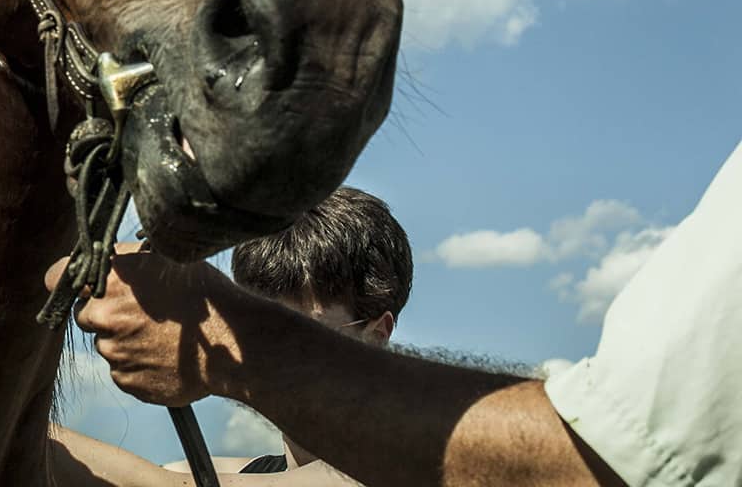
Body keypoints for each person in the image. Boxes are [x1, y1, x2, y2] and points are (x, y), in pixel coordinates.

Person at [59, 141, 742, 487]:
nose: (246, 337)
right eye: (249, 312)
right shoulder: (263, 469)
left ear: (377, 331)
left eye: (291, 323)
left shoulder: (411, 472)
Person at [50, 187, 413, 485]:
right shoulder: (208, 471)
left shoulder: (402, 471)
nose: (272, 352)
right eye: (255, 327)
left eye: (304, 331)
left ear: (376, 335)